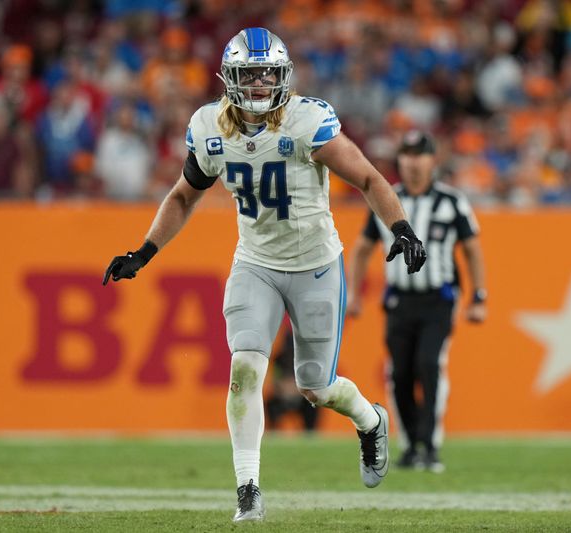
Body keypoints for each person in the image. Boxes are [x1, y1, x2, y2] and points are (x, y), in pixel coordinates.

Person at [102, 28, 426, 522]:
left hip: (315, 263)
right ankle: (248, 489)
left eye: (268, 74)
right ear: (230, 78)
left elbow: (367, 177)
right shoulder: (210, 126)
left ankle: (369, 420)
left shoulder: (305, 121)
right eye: (249, 74)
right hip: (256, 262)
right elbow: (183, 195)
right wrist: (144, 252)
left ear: (283, 77)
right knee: (245, 368)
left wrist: (400, 226)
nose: (258, 84)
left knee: (315, 387)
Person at [347, 131, 487, 473]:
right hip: (399, 300)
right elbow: (363, 248)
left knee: (429, 364)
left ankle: (430, 444)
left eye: (419, 154)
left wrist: (478, 296)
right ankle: (410, 445)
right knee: (401, 373)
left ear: (432, 159)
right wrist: (353, 294)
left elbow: (472, 250)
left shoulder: (452, 201)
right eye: (406, 154)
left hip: (438, 298)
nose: (412, 161)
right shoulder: (386, 198)